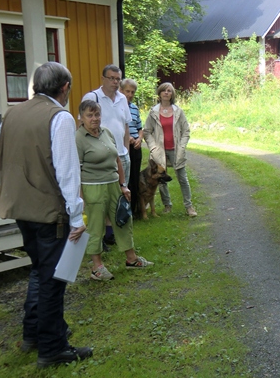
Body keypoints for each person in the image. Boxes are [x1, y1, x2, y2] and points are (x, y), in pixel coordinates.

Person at [0, 62, 93, 368]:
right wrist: (77, 217)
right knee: (53, 279)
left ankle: (33, 334)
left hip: (21, 208)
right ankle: (52, 348)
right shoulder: (59, 117)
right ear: (64, 88)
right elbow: (66, 171)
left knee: (39, 272)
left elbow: (5, 159)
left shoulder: (11, 113)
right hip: (49, 212)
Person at [76, 100, 154, 280]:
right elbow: (76, 170)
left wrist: (122, 185)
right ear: (81, 118)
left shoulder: (106, 132)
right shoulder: (78, 138)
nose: (94, 119)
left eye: (97, 115)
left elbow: (117, 160)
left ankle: (132, 259)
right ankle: (97, 267)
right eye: (90, 115)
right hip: (92, 188)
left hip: (113, 186)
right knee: (95, 227)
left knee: (123, 220)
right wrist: (80, 198)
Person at [82, 64, 131, 247]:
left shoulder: (122, 99)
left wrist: (125, 150)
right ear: (103, 78)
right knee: (99, 199)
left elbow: (125, 125)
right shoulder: (92, 97)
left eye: (118, 79)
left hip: (120, 155)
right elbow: (83, 124)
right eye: (111, 78)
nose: (115, 82)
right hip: (99, 157)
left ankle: (112, 235)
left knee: (118, 197)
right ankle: (99, 236)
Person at [144, 82, 196, 217]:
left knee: (182, 179)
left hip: (176, 150)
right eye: (164, 90)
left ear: (172, 94)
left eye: (169, 91)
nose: (166, 93)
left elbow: (186, 131)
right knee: (161, 180)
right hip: (159, 151)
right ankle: (167, 205)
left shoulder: (178, 111)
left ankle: (189, 206)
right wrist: (153, 147)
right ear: (160, 93)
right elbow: (147, 131)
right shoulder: (153, 112)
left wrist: (182, 146)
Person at [121, 78, 143, 217]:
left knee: (135, 178)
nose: (130, 94)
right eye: (127, 91)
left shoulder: (134, 108)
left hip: (136, 147)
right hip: (124, 146)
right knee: (125, 180)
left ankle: (135, 211)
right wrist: (126, 137)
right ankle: (124, 210)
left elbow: (140, 128)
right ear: (121, 91)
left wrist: (140, 139)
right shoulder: (117, 106)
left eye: (132, 92)